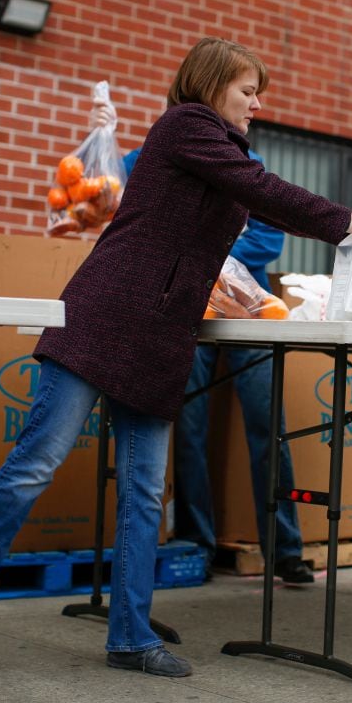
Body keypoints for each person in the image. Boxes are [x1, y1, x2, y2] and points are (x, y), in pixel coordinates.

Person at [0, 36, 352, 679]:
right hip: (104, 317)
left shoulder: (216, 147)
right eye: (248, 91)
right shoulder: (187, 127)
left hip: (160, 335)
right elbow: (264, 190)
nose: (255, 105)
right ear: (212, 84)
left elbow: (245, 205)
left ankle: (131, 637)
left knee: (140, 492)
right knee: (37, 461)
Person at [90, 99, 313, 584]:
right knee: (186, 424)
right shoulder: (159, 149)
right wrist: (101, 142)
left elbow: (267, 241)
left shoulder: (248, 165)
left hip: (248, 307)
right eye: (246, 91)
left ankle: (284, 548)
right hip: (183, 309)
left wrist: (203, 248)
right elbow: (105, 195)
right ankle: (197, 544)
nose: (254, 104)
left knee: (266, 425)